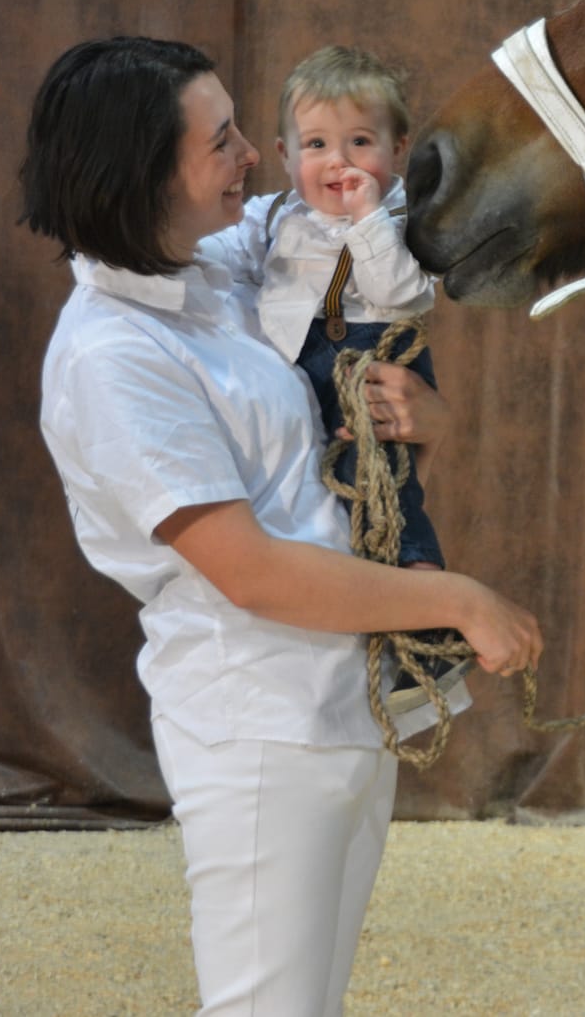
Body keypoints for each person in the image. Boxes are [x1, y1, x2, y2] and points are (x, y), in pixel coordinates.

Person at [24, 36, 542, 1015]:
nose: (252, 158)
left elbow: (363, 220)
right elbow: (252, 570)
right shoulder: (110, 357)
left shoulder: (220, 262)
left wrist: (423, 420)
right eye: (220, 142)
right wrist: (458, 599)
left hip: (345, 697)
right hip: (259, 724)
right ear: (141, 178)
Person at [204, 45, 465, 709]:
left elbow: (404, 295)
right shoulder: (270, 215)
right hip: (305, 366)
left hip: (374, 358)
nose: (338, 162)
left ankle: (430, 615)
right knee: (335, 500)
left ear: (398, 148)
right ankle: (379, 622)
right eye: (316, 143)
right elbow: (214, 254)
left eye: (360, 141)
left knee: (388, 491)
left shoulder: (399, 217)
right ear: (286, 155)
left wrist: (366, 219)